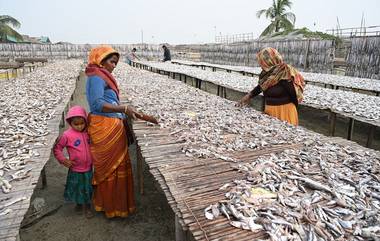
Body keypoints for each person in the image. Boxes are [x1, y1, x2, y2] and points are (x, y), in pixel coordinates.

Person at [85, 45, 139, 218]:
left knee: (119, 165)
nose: (114, 65)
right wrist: (123, 108)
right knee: (110, 168)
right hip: (104, 126)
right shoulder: (95, 77)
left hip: (112, 125)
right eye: (111, 61)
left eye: (116, 62)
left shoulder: (101, 76)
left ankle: (118, 205)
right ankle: (110, 205)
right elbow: (97, 104)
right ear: (100, 60)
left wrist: (121, 111)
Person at [237, 47, 305, 126]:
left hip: (284, 112)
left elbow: (294, 95)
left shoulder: (284, 72)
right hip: (270, 110)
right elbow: (261, 86)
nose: (260, 65)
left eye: (262, 62)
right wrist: (249, 95)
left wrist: (291, 112)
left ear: (269, 61)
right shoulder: (266, 74)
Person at [53, 105, 94, 219]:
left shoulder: (88, 132)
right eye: (76, 124)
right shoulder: (67, 135)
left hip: (89, 167)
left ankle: (88, 206)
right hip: (75, 168)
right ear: (70, 123)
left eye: (82, 123)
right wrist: (63, 160)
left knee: (88, 187)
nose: (80, 126)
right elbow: (57, 148)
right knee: (77, 187)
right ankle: (79, 204)